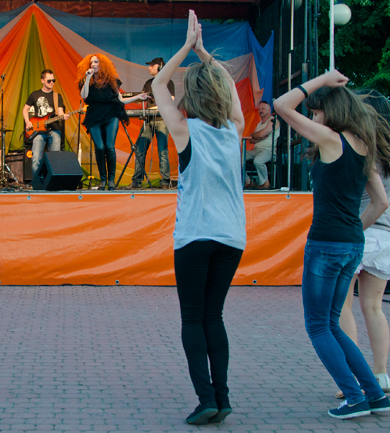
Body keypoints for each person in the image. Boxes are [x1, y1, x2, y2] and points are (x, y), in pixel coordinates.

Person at [274, 73, 390, 419]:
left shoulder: (330, 140)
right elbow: (381, 201)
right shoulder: (365, 146)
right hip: (351, 243)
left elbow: (282, 105)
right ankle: (374, 393)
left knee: (318, 326)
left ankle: (354, 397)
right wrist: (355, 228)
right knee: (334, 324)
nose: (313, 117)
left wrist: (322, 79)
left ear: (332, 111)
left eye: (316, 111)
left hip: (326, 243)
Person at [152, 11, 246, 425]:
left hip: (194, 236)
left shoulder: (185, 130)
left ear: (189, 95)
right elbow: (230, 87)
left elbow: (158, 85)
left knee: (193, 318)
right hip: (231, 237)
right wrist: (206, 54)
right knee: (214, 317)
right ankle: (221, 398)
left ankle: (206, 398)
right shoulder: (233, 130)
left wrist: (187, 48)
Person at [336, 90, 390, 398]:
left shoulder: (360, 149)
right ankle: (381, 375)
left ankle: (354, 380)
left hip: (359, 229)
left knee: (343, 306)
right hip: (386, 238)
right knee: (373, 307)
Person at [78, 54, 148, 190]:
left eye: (96, 62)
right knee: (99, 147)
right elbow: (84, 96)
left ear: (102, 65)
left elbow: (121, 100)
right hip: (94, 117)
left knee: (109, 147)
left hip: (111, 116)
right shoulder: (87, 80)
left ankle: (111, 180)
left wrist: (138, 97)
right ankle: (102, 180)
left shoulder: (111, 81)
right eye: (91, 62)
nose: (93, 64)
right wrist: (87, 78)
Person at [131, 57, 175, 189]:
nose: (149, 67)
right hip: (148, 120)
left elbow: (171, 100)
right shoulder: (148, 83)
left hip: (162, 120)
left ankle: (165, 181)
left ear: (159, 66)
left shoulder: (168, 82)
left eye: (151, 65)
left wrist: (157, 107)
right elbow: (141, 98)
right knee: (140, 150)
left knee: (162, 151)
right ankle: (137, 181)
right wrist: (136, 97)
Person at [23, 70, 69, 176]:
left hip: (54, 130)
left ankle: (53, 182)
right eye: (49, 81)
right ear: (42, 80)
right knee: (36, 159)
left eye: (53, 80)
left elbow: (60, 112)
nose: (52, 82)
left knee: (55, 160)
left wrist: (64, 116)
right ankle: (38, 182)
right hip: (38, 131)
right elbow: (25, 109)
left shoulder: (57, 96)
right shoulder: (34, 94)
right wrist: (27, 121)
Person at [244, 101, 279, 189]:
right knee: (237, 158)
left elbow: (260, 134)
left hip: (268, 150)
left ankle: (264, 183)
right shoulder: (259, 124)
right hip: (256, 150)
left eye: (263, 108)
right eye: (259, 109)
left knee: (258, 161)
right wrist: (257, 136)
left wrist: (256, 136)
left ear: (269, 110)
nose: (260, 110)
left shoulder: (273, 121)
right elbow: (251, 140)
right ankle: (247, 181)